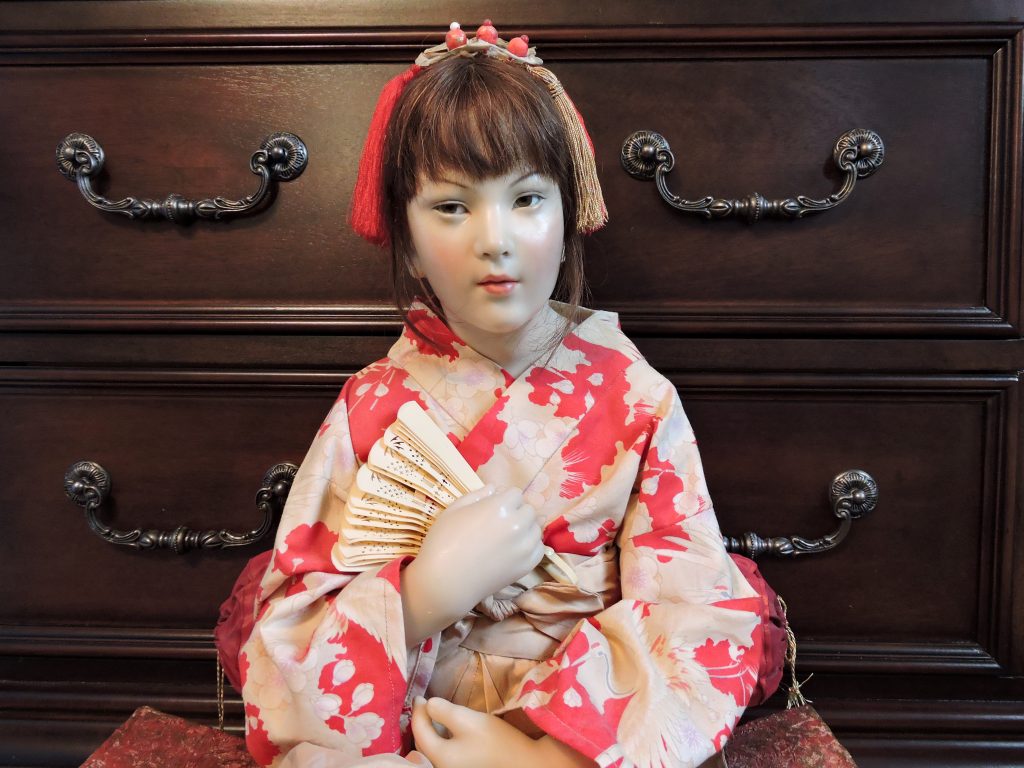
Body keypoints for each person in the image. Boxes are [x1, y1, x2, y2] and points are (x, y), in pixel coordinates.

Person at [216, 19, 781, 768]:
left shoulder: (635, 396)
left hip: (577, 735)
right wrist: (421, 596)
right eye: (452, 207)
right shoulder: (371, 403)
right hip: (412, 726)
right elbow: (291, 630)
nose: (496, 239)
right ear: (407, 241)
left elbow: (689, 609)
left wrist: (547, 758)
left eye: (527, 199)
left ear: (569, 210)